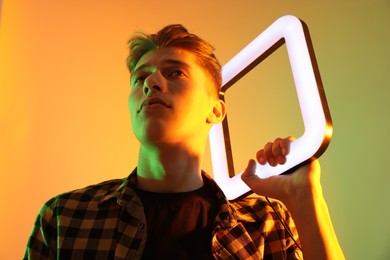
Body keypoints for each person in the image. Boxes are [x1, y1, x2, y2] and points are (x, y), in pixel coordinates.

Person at [24, 24, 344, 259]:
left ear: (216, 109)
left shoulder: (265, 222)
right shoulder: (66, 217)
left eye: (175, 73)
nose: (151, 82)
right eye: (140, 77)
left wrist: (305, 199)